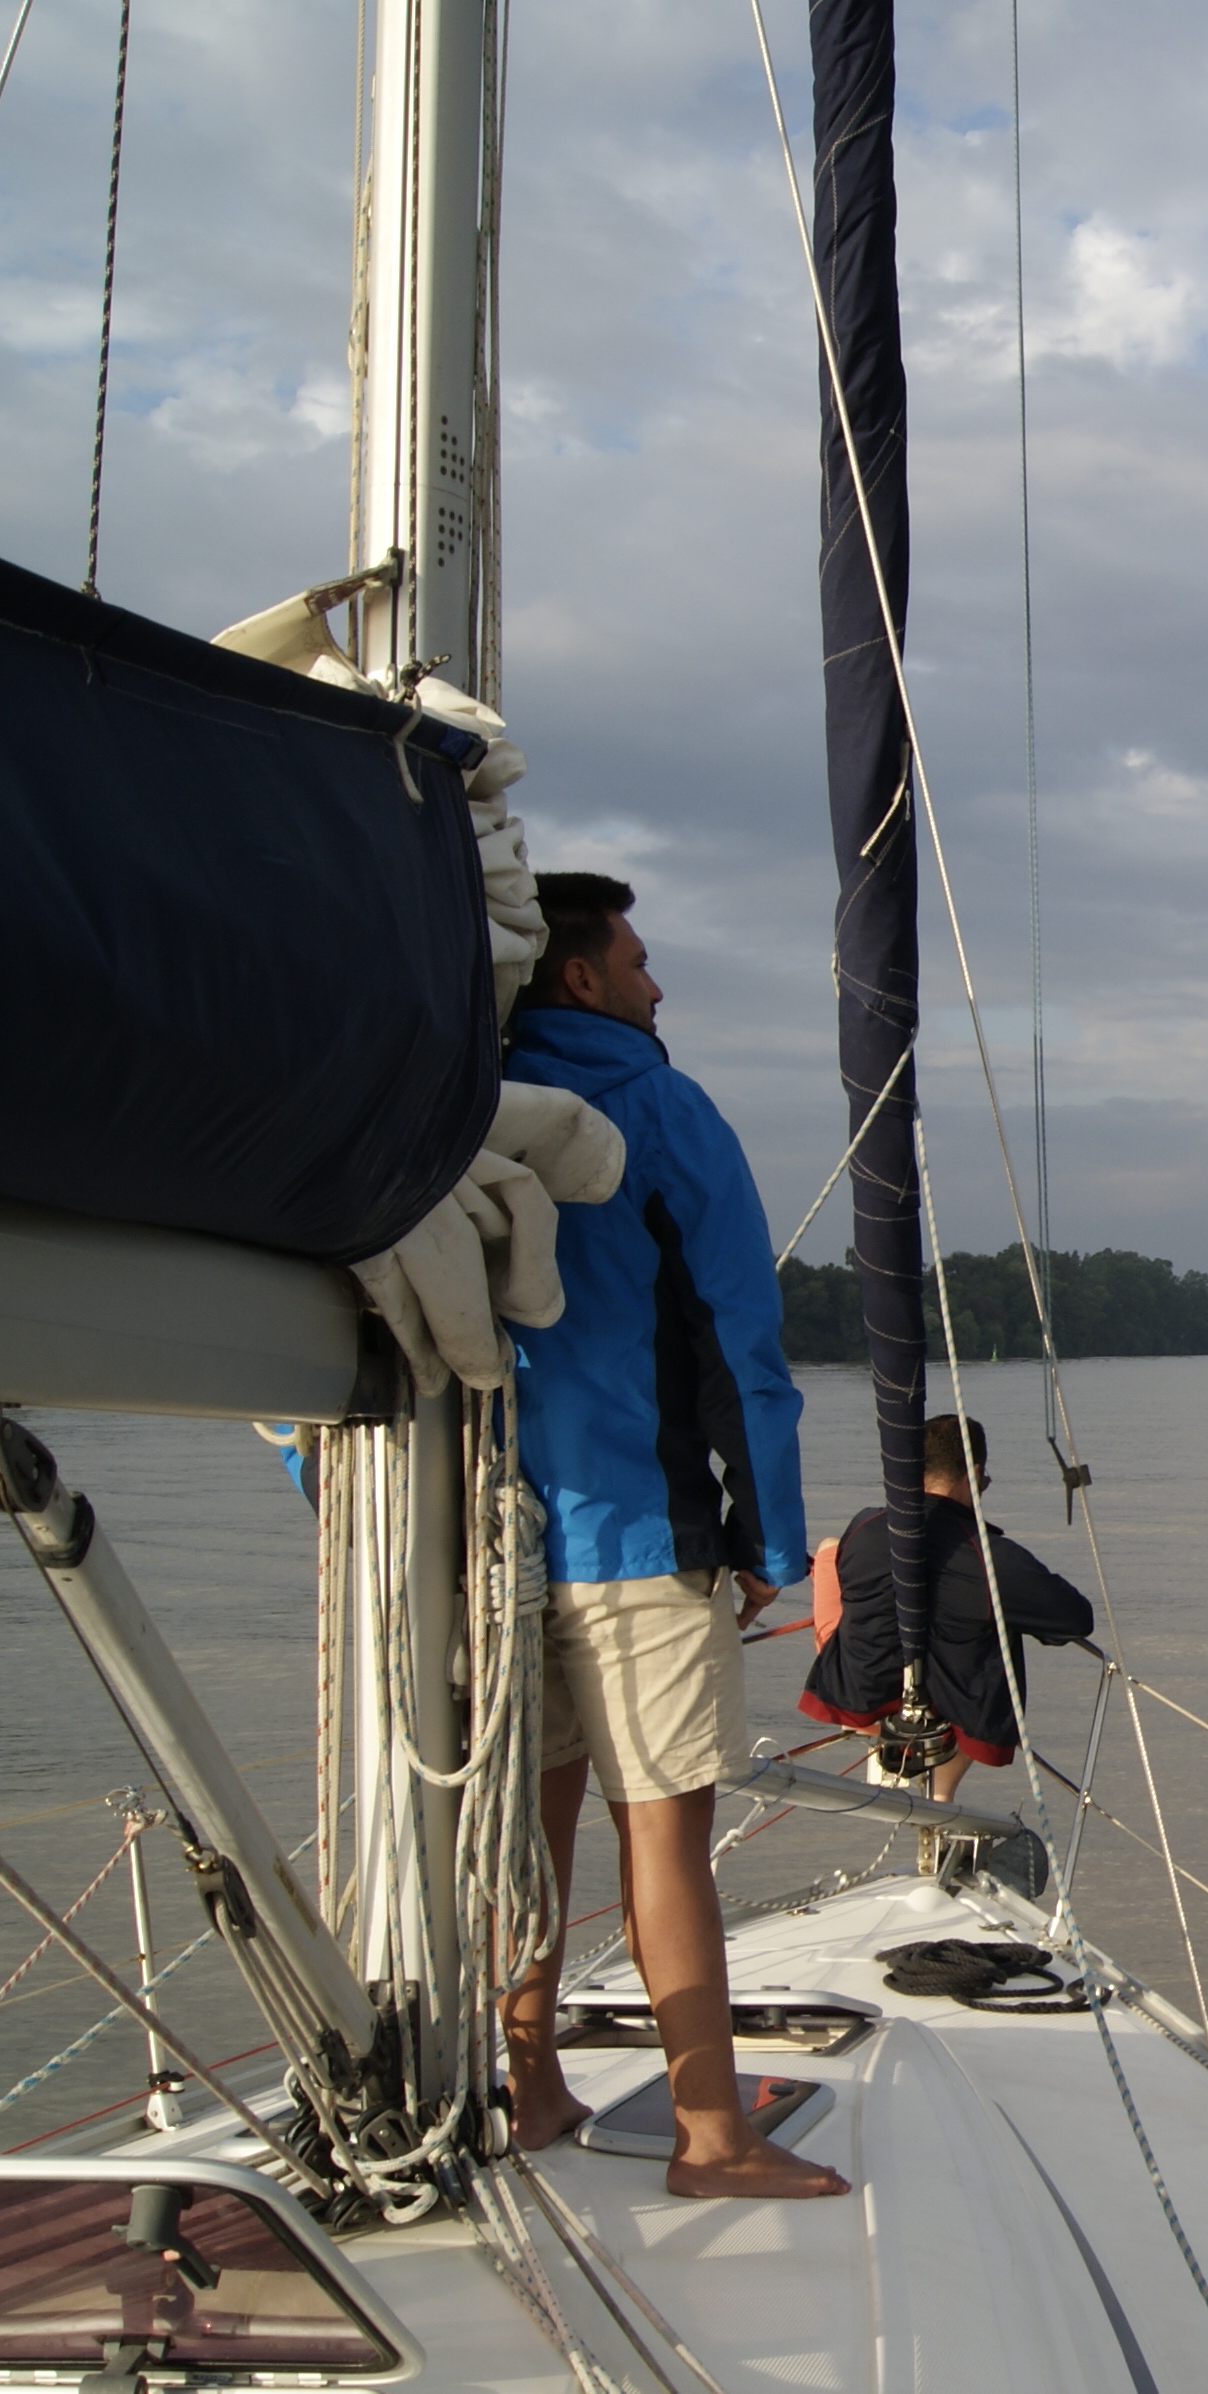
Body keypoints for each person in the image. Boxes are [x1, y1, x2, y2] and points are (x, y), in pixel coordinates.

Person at [494, 871, 843, 2201]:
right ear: (581, 976)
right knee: (660, 1842)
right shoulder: (658, 1107)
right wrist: (770, 1540)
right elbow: (736, 1340)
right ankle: (710, 2137)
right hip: (638, 1538)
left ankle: (529, 2087)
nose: (657, 985)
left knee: (529, 1836)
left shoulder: (454, 1104)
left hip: (486, 1547)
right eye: (638, 962)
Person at [801, 1414, 1094, 1803]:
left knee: (830, 1549)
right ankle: (941, 1797)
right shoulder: (991, 1558)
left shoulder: (864, 1526)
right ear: (974, 1474)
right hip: (943, 1719)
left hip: (854, 1694)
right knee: (998, 1618)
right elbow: (1076, 1618)